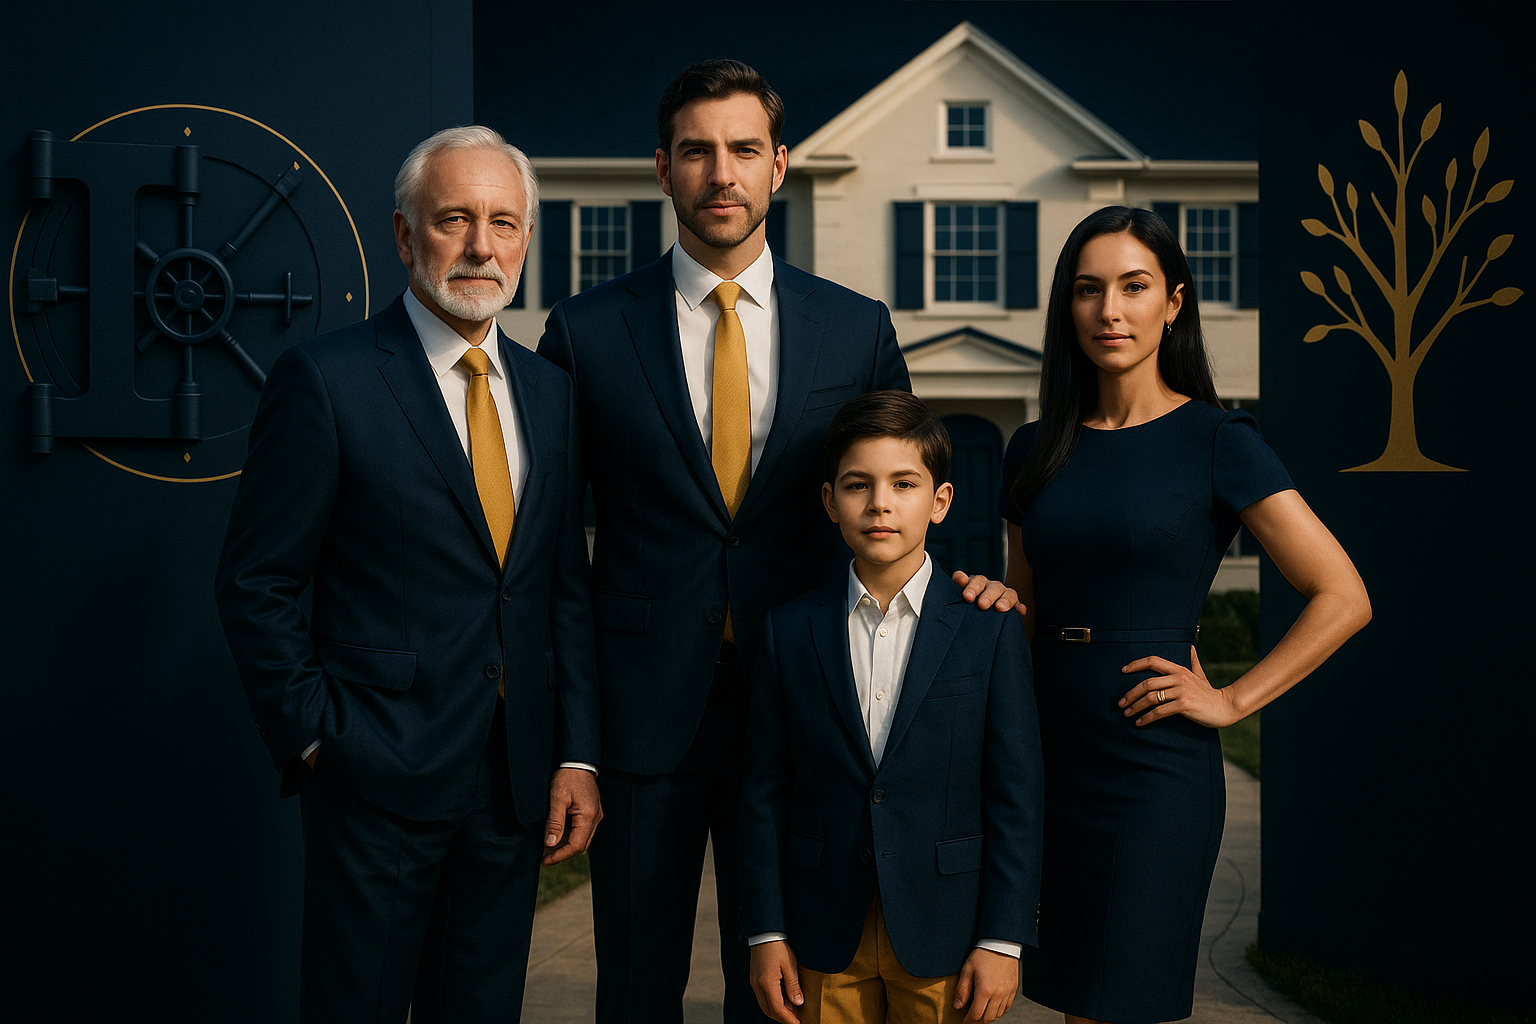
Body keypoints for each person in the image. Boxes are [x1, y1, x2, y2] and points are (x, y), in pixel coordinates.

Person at [538, 59, 1015, 1023]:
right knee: (635, 987)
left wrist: (974, 586)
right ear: (662, 169)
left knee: (788, 987)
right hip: (644, 720)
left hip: (809, 714)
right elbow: (554, 557)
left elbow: (897, 489)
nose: (723, 172)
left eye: (744, 149)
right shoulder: (585, 332)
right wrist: (577, 745)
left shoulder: (855, 329)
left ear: (780, 166)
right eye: (698, 151)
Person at [215, 126, 601, 1023]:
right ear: (403, 236)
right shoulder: (327, 379)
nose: (480, 247)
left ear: (526, 241)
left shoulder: (551, 395)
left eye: (503, 224)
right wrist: (319, 738)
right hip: (374, 769)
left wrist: (576, 751)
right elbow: (256, 582)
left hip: (512, 781)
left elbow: (557, 591)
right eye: (454, 219)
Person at [983, 206, 1371, 1024]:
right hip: (1045, 748)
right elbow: (1027, 602)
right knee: (1068, 996)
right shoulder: (1031, 448)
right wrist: (988, 605)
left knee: (1118, 999)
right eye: (1088, 291)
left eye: (1134, 287)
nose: (1109, 311)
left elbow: (1343, 595)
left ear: (1175, 302)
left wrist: (1231, 702)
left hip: (1151, 759)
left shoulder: (1219, 439)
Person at [740, 391, 1044, 1024]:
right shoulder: (786, 631)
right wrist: (765, 932)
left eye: (903, 484)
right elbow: (764, 793)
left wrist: (1002, 938)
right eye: (858, 485)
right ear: (829, 501)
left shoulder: (988, 630)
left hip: (948, 932)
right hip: (824, 927)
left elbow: (1016, 794)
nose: (879, 503)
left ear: (940, 502)